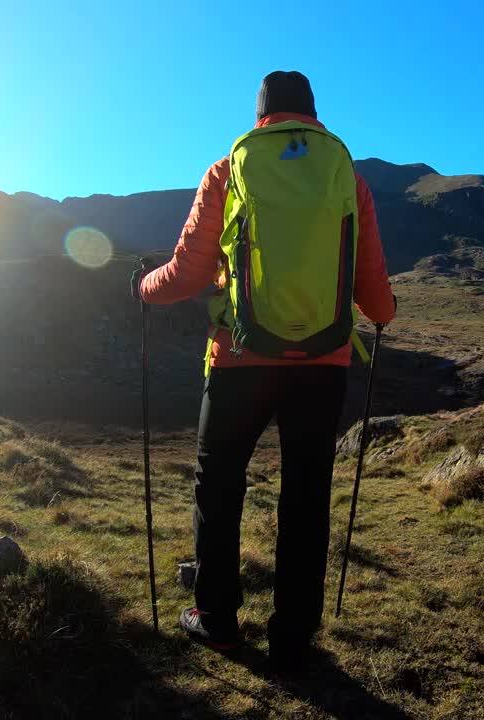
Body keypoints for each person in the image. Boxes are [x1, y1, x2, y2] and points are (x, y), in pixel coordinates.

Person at [132, 70, 395, 668]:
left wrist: (142, 288)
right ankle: (293, 639)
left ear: (260, 117)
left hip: (239, 360)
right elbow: (371, 285)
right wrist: (384, 313)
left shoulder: (229, 171)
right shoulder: (346, 178)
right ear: (312, 114)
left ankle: (218, 621)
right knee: (306, 494)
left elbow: (190, 271)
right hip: (323, 364)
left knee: (219, 484)